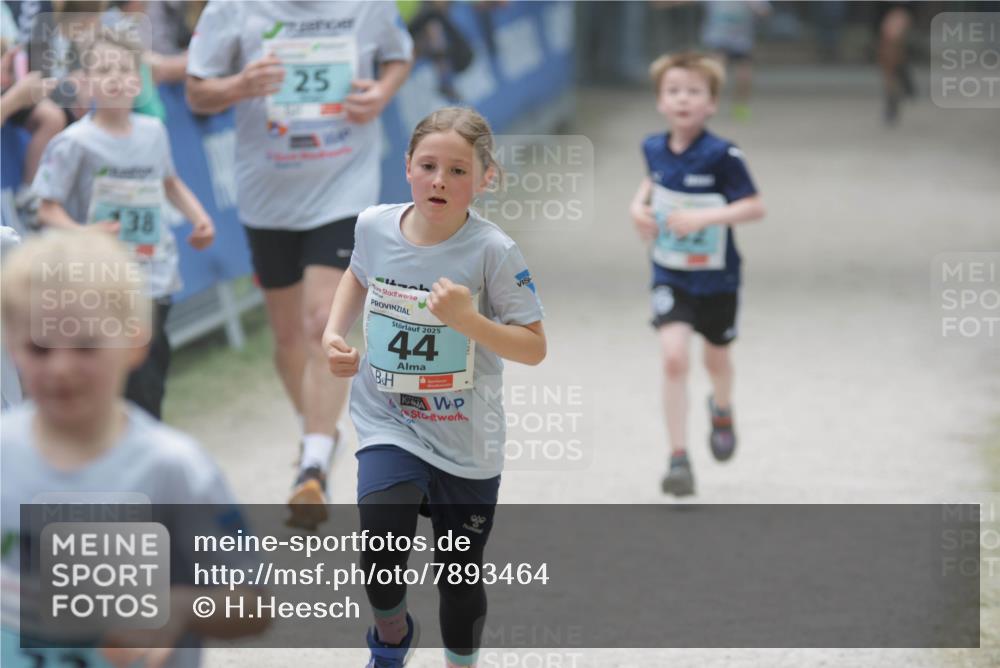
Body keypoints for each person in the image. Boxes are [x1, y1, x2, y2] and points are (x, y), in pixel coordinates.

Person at [322, 107, 546, 667]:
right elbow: (357, 272)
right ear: (407, 168)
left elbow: (534, 346)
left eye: (458, 170)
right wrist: (333, 333)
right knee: (379, 548)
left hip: (465, 438)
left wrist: (468, 321)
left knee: (459, 579)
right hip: (389, 420)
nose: (440, 180)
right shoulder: (374, 224)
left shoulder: (494, 250)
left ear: (486, 179)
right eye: (428, 166)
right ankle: (392, 635)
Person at [186, 1, 413, 526]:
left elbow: (400, 54)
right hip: (267, 193)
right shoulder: (232, 9)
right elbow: (198, 90)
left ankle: (310, 465)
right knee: (288, 342)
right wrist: (241, 85)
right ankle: (320, 434)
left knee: (320, 324)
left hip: (342, 185)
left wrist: (380, 92)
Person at [0, 229, 267, 667]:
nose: (61, 367)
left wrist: (177, 609)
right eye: (39, 347)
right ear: (11, 346)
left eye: (86, 345)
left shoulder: (171, 468)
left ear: (135, 343)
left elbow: (252, 604)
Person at [32, 27, 215, 420]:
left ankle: (132, 448)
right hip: (104, 280)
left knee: (153, 371)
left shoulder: (153, 132)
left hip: (155, 273)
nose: (114, 78)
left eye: (122, 68)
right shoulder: (74, 143)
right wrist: (85, 233)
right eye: (102, 70)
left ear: (138, 80)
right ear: (85, 84)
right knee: (132, 381)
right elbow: (45, 210)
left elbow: (169, 182)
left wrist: (200, 218)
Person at [628, 52, 765, 497]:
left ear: (711, 103)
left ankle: (721, 409)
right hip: (671, 274)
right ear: (660, 102)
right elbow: (651, 184)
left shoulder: (723, 155)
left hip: (718, 279)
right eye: (673, 91)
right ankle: (678, 459)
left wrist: (707, 220)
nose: (683, 99)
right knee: (673, 357)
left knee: (716, 360)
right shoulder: (652, 147)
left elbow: (755, 206)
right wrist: (637, 209)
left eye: (693, 92)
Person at [699, 0, 771, 121]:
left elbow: (765, 12)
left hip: (742, 42)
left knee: (745, 76)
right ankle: (706, 104)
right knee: (715, 72)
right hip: (718, 39)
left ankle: (740, 106)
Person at [875, 1, 917, 125]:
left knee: (892, 39)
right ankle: (903, 74)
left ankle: (892, 101)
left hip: (903, 6)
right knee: (887, 57)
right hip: (880, 7)